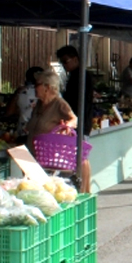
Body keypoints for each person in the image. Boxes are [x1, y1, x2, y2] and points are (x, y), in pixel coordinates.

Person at [56, 44, 94, 194]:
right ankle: (85, 188)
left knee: (82, 157)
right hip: (79, 121)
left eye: (66, 61)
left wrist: (72, 121)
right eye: (62, 62)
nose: (64, 65)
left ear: (75, 59)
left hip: (81, 122)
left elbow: (79, 102)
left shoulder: (82, 76)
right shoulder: (75, 76)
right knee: (80, 157)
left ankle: (86, 189)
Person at [24, 71, 77, 154]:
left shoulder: (59, 104)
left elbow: (74, 120)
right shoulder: (39, 104)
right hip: (32, 155)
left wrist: (66, 126)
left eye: (37, 84)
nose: (34, 87)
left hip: (48, 155)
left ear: (47, 87)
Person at [4, 66, 43, 135]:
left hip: (23, 132)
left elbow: (9, 112)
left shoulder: (21, 92)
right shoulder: (50, 92)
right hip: (41, 133)